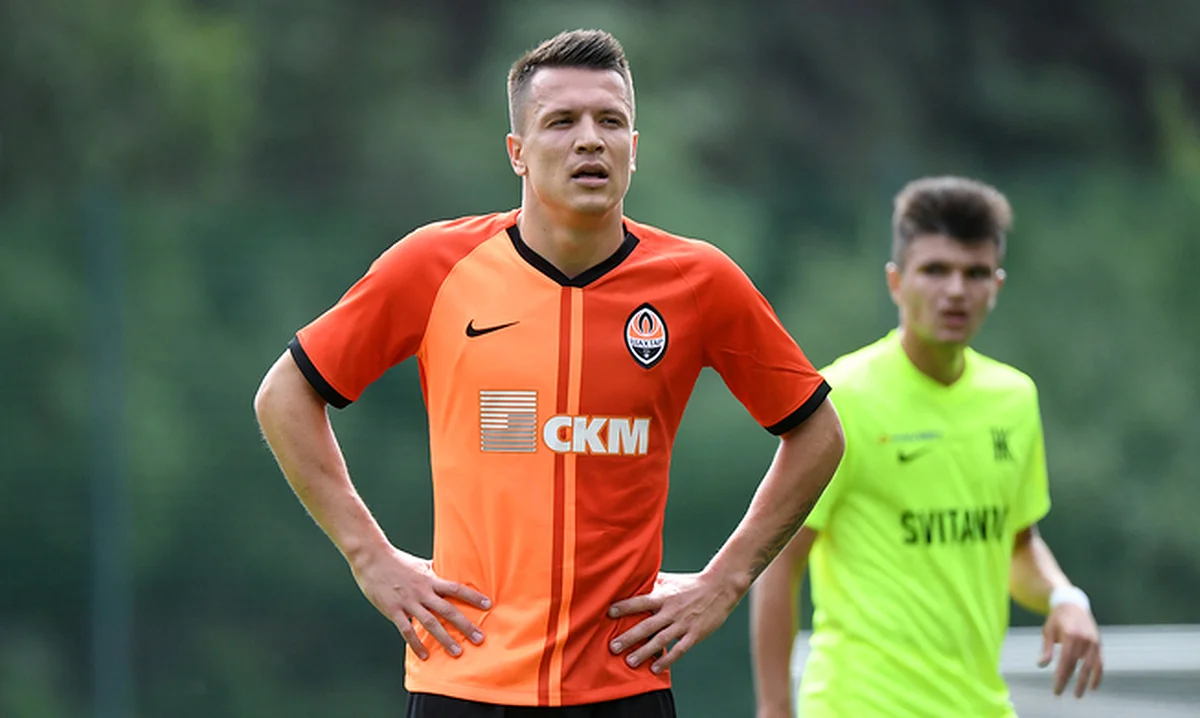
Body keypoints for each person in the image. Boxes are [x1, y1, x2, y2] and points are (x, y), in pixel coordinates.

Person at [254, 28, 845, 718]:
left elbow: (819, 434)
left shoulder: (698, 282)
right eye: (561, 121)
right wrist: (369, 556)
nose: (590, 140)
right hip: (463, 680)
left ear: (634, 147)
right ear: (517, 152)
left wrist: (726, 579)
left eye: (610, 122)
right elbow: (285, 396)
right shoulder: (435, 266)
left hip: (623, 685)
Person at [749, 176, 1104, 718]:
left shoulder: (1014, 398)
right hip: (861, 706)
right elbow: (778, 561)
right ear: (896, 282)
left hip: (980, 706)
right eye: (935, 270)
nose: (956, 290)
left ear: (997, 285)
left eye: (975, 273)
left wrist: (1064, 597)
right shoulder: (842, 399)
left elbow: (1016, 545)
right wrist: (775, 710)